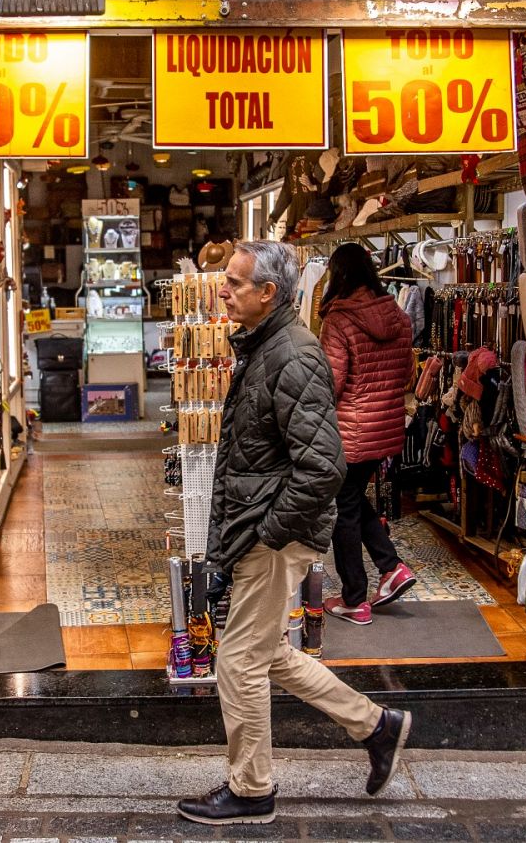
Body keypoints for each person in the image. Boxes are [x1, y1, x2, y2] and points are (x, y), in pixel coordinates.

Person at [177, 239, 412, 827]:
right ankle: (376, 726)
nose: (223, 289)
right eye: (225, 279)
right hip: (262, 527)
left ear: (269, 294)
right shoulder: (265, 345)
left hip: (273, 535)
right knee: (268, 653)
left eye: (233, 282)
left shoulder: (294, 355)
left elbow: (324, 465)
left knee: (237, 661)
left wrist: (269, 530)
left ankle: (252, 788)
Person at [317, 244, 416, 625]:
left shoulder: (339, 320)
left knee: (343, 510)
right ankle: (392, 568)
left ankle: (354, 599)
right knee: (353, 498)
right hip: (385, 428)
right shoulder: (399, 316)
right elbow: (405, 374)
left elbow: (332, 383)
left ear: (337, 274)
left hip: (350, 430)